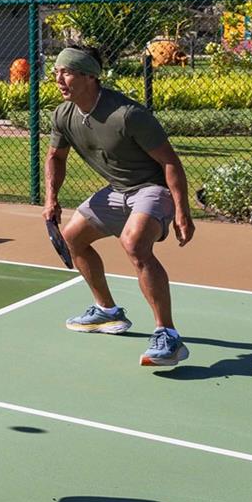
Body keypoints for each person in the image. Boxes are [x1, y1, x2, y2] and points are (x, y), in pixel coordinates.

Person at [43, 46, 195, 367]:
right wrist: (51, 198)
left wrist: (182, 211)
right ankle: (107, 312)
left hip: (153, 188)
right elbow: (56, 157)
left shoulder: (127, 115)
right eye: (56, 72)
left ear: (89, 76)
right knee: (73, 238)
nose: (58, 79)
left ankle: (168, 335)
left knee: (135, 244)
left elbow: (170, 162)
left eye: (66, 72)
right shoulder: (63, 115)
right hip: (117, 191)